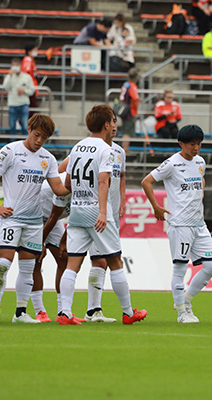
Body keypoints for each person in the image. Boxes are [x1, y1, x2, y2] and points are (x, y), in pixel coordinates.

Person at [58, 104, 147, 325]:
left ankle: (65, 313)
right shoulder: (106, 150)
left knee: (72, 265)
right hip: (97, 213)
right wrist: (103, 211)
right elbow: (103, 181)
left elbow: (67, 183)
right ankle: (128, 313)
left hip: (77, 211)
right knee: (115, 261)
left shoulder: (77, 147)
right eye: (112, 121)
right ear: (106, 125)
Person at [0, 114, 68, 324]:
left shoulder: (48, 159)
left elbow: (58, 189)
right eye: (36, 135)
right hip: (12, 219)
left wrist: (78, 184)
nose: (39, 140)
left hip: (34, 223)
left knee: (28, 269)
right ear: (29, 129)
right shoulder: (10, 151)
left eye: (44, 138)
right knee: (2, 264)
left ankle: (20, 313)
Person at [142, 125, 212, 323]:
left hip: (199, 224)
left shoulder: (200, 162)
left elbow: (200, 179)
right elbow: (146, 181)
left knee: (211, 266)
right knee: (180, 269)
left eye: (199, 144)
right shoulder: (172, 164)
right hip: (180, 225)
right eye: (192, 144)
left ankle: (186, 299)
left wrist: (199, 193)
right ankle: (182, 313)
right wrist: (156, 207)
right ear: (181, 144)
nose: (196, 148)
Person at [84, 126, 126, 323]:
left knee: (109, 261)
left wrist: (122, 201)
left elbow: (121, 176)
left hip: (112, 215)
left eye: (116, 121)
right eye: (111, 122)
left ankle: (92, 310)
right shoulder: (90, 148)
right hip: (95, 212)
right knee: (99, 261)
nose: (114, 126)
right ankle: (93, 309)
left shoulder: (119, 152)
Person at [30, 159, 71, 322]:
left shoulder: (93, 187)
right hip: (34, 215)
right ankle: (39, 311)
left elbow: (76, 218)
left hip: (53, 218)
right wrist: (39, 243)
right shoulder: (68, 184)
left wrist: (64, 242)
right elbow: (54, 215)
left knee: (64, 259)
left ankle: (62, 312)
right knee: (35, 259)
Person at [3, 58, 34, 136]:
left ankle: (26, 142)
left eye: (16, 65)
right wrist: (10, 77)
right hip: (12, 104)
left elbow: (32, 90)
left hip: (24, 104)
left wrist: (24, 91)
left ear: (20, 66)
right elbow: (6, 88)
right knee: (12, 127)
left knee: (25, 126)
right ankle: (12, 142)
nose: (15, 67)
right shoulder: (9, 77)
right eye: (13, 65)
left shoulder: (27, 77)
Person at [119, 68, 141, 152]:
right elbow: (135, 98)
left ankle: (124, 149)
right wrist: (139, 101)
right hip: (130, 112)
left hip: (123, 110)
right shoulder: (132, 86)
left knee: (125, 130)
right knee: (127, 132)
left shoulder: (125, 84)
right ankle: (125, 149)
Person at [21, 43, 40, 116]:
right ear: (29, 51)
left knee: (32, 108)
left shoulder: (31, 60)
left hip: (32, 86)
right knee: (32, 108)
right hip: (30, 87)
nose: (36, 51)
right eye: (34, 50)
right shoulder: (28, 60)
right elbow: (26, 73)